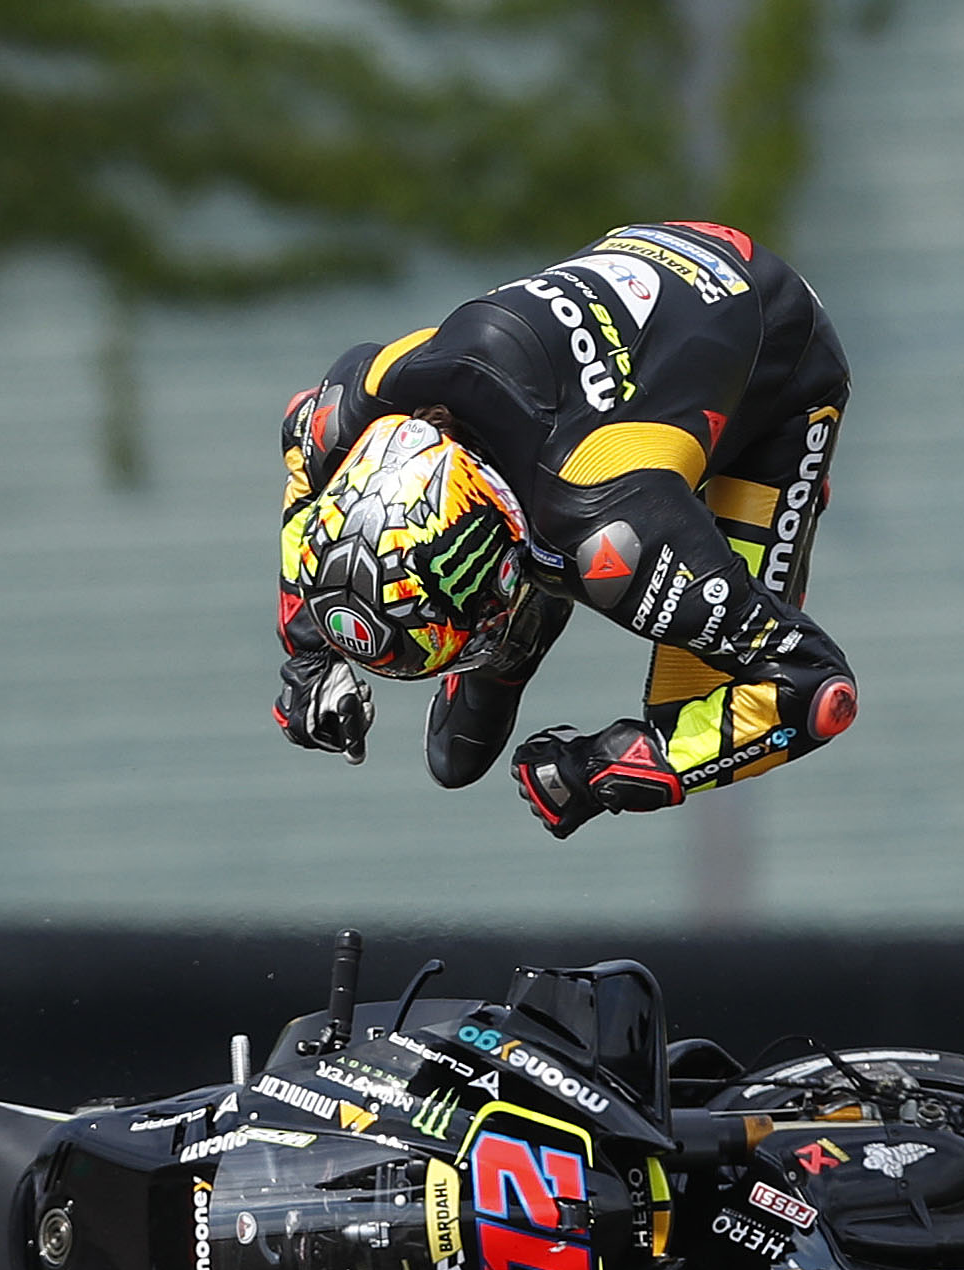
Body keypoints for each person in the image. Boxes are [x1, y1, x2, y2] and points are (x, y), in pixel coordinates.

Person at [273, 221, 860, 838]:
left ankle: (531, 601)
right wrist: (308, 655)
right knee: (458, 760)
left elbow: (817, 689)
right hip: (637, 285)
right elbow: (299, 445)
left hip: (778, 363)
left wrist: (608, 767)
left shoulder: (617, 530)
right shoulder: (353, 414)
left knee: (692, 706)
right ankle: (526, 604)